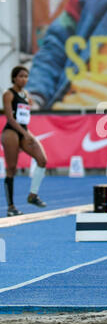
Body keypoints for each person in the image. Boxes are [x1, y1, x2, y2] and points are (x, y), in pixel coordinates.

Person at [1, 66, 47, 216]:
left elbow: (24, 114)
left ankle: (33, 195)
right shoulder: (8, 94)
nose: (24, 79)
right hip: (11, 132)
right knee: (12, 169)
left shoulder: (26, 94)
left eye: (26, 76)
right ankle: (11, 207)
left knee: (42, 160)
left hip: (23, 131)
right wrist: (25, 134)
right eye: (21, 76)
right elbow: (10, 118)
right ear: (14, 78)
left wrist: (28, 103)